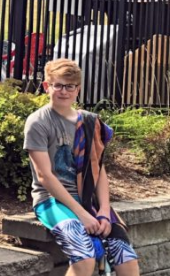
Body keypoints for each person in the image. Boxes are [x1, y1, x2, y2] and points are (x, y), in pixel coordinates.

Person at [24, 59, 140, 276]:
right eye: (58, 85)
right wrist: (82, 215)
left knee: (127, 260)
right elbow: (45, 176)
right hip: (52, 201)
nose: (64, 91)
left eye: (70, 86)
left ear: (78, 89)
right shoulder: (38, 122)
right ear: (46, 86)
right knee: (84, 256)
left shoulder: (88, 122)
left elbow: (98, 170)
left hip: (89, 199)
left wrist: (104, 211)